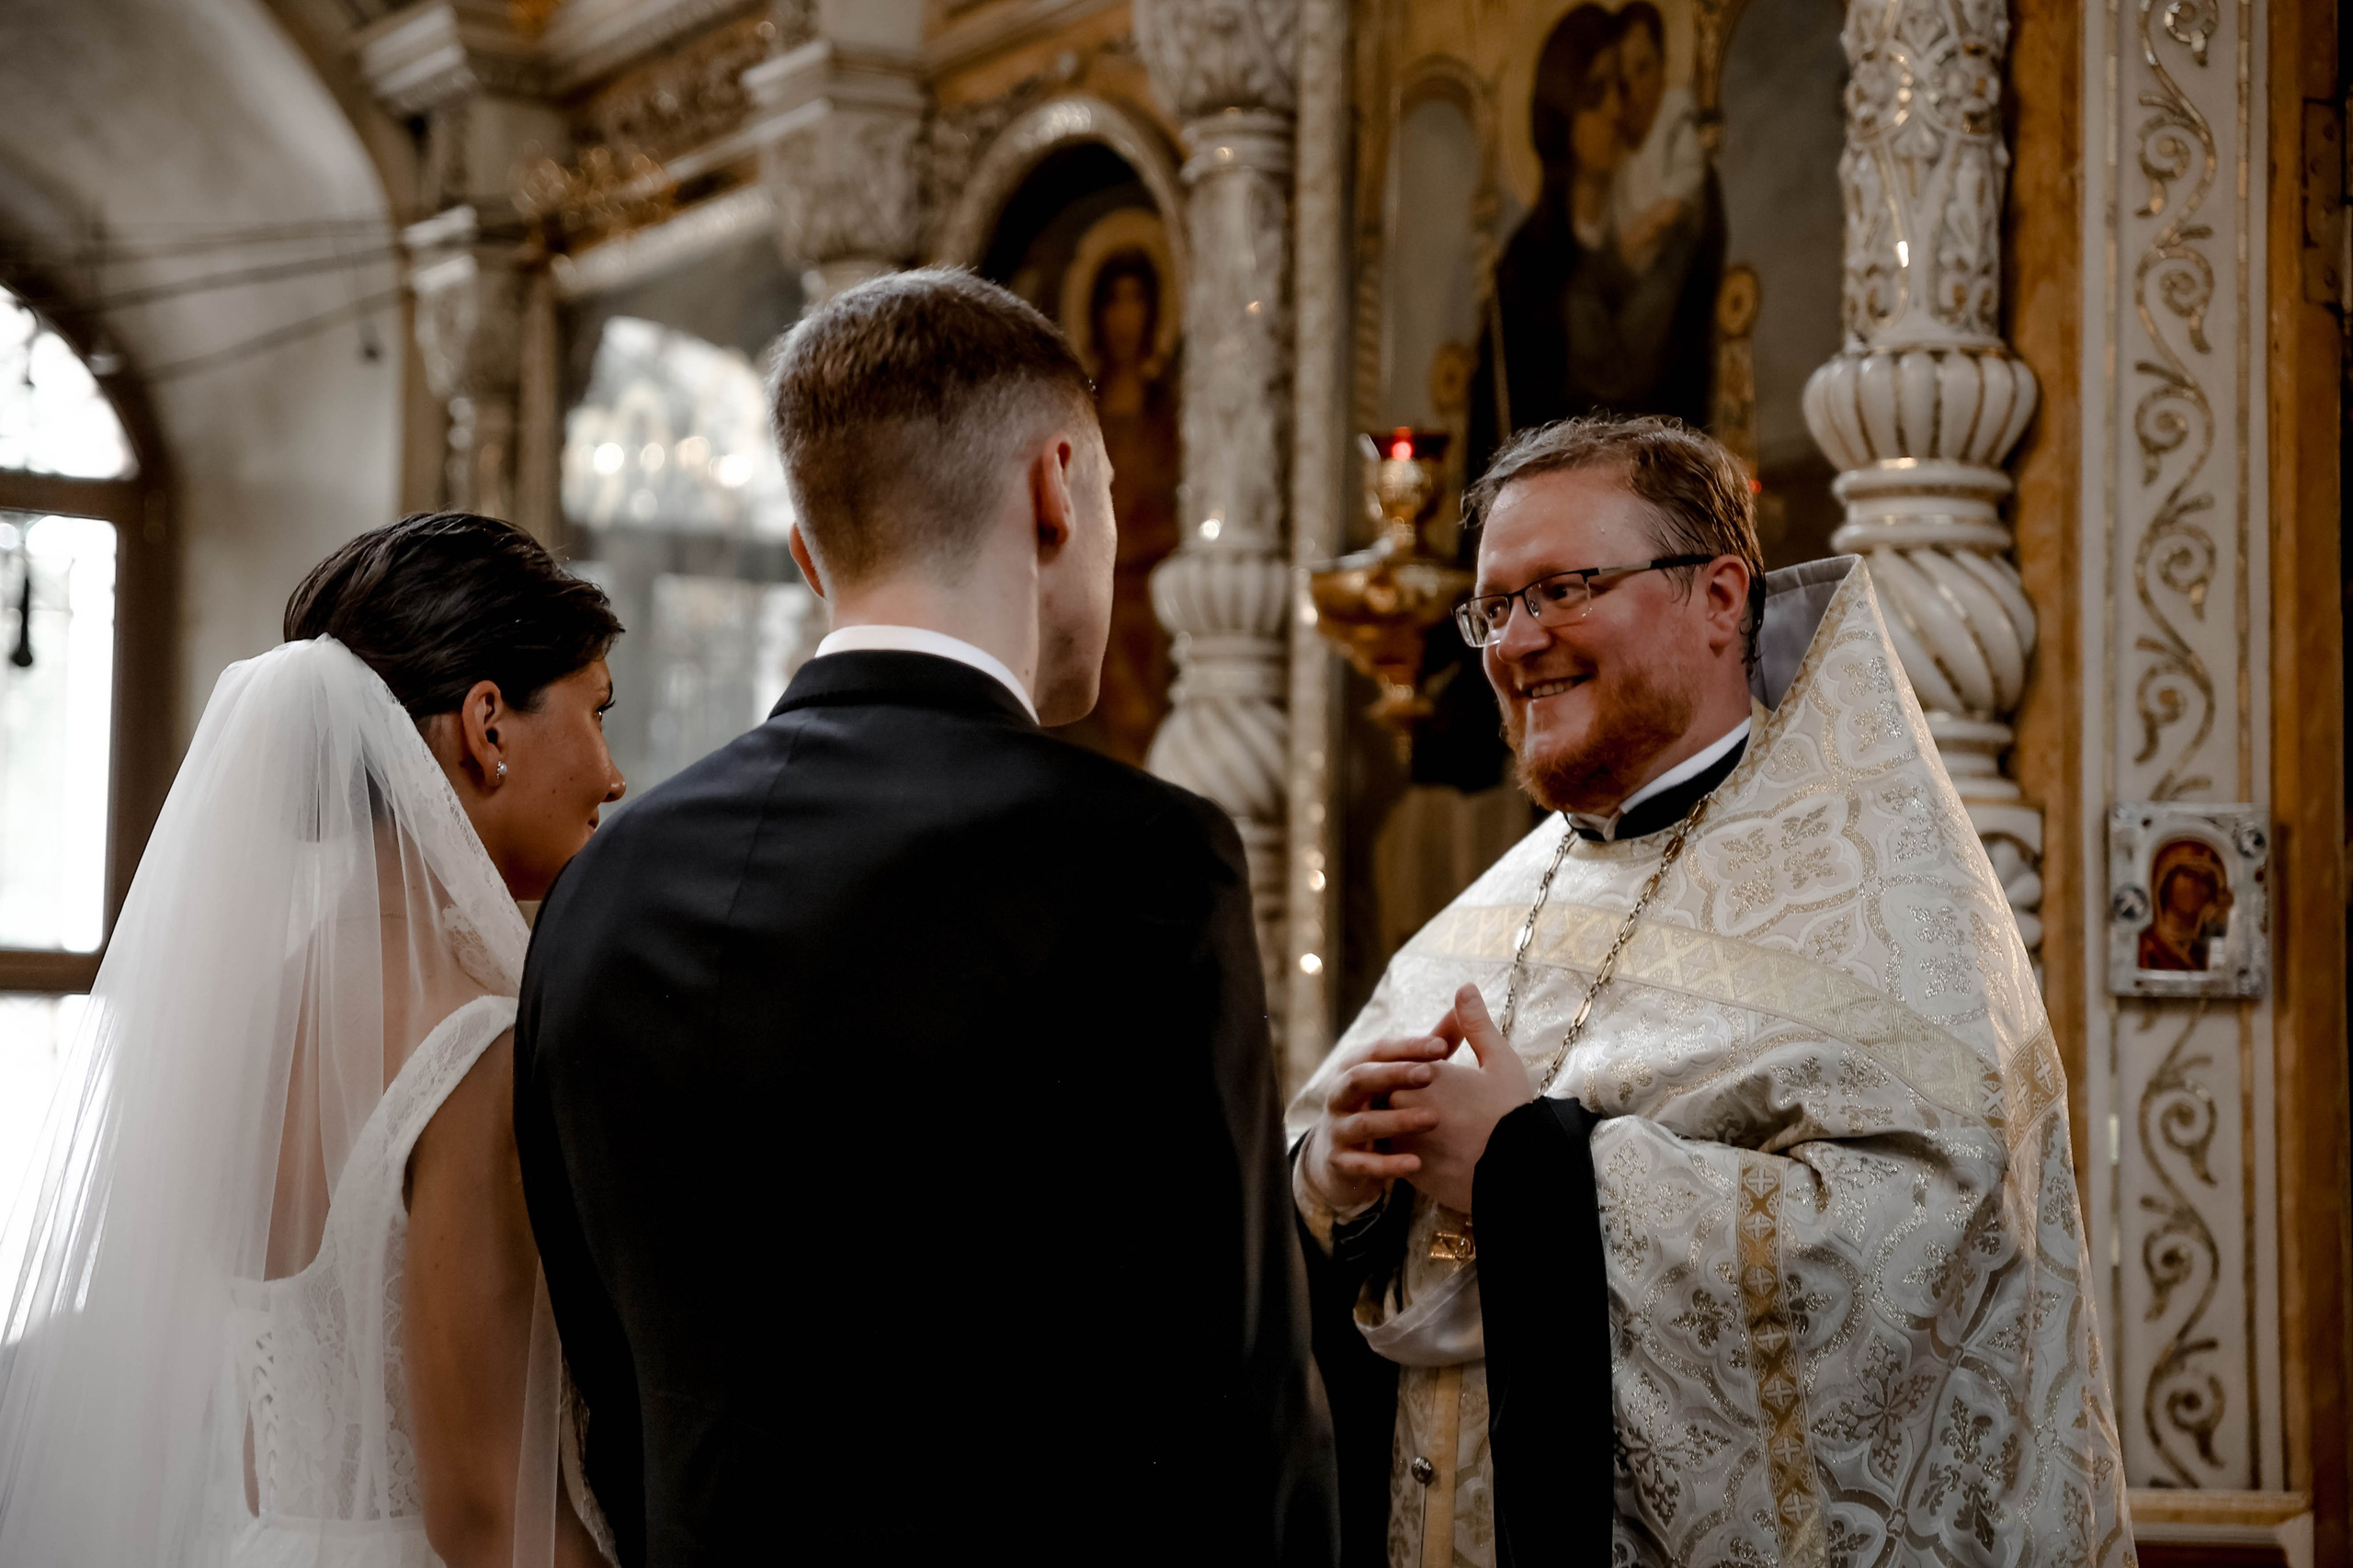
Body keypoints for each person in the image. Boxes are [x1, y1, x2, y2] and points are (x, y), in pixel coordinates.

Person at [514, 268, 1337, 1567]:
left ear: (809, 553)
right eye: (1116, 499)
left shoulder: (603, 883)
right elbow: (1229, 1408)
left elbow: (600, 1391)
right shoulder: (1136, 857)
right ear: (1058, 489)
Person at [1289, 417, 2131, 1568]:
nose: (1514, 642)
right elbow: (1316, 1210)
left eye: (1564, 588)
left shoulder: (1883, 896)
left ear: (1720, 596)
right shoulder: (1480, 916)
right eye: (1493, 607)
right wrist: (1336, 1184)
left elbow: (1921, 1249)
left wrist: (1529, 1169)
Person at [0, 512, 627, 1566]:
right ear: (488, 724)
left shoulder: (256, 1010)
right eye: (597, 711)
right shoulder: (475, 1041)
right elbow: (484, 1514)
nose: (613, 774)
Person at [1607, 2, 1706, 274]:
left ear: (1662, 66)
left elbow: (1684, 193)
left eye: (1643, 69)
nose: (1635, 91)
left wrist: (1636, 237)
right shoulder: (1619, 145)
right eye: (1624, 81)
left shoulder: (1676, 109)